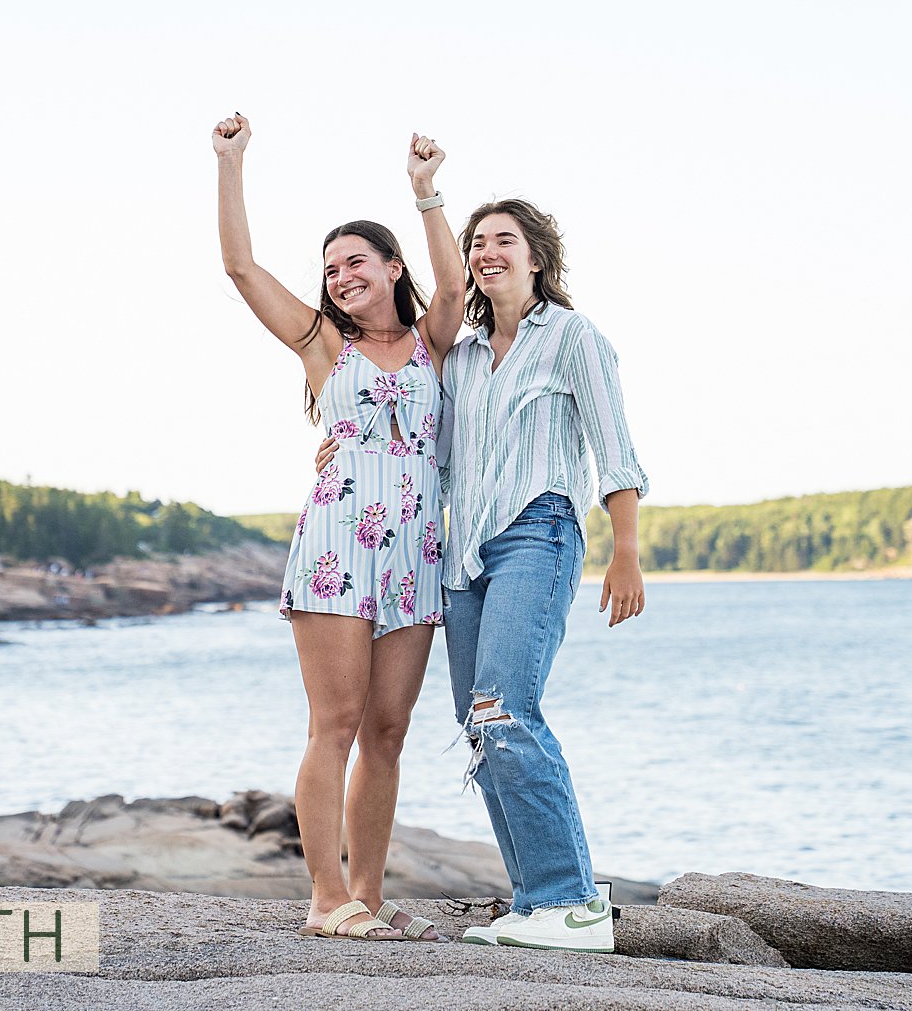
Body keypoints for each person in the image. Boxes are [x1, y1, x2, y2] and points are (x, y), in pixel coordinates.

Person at [315, 196, 647, 952]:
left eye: (505, 240)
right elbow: (419, 445)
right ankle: (537, 904)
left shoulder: (572, 337)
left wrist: (625, 549)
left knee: (504, 705)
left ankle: (572, 901)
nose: (487, 252)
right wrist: (342, 448)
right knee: (479, 724)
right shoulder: (455, 359)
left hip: (538, 531)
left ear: (536, 257)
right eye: (477, 244)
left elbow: (615, 449)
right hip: (461, 557)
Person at [213, 112, 465, 941]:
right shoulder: (325, 345)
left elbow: (457, 291)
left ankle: (367, 888)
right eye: (331, 268)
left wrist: (426, 195)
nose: (342, 275)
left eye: (357, 259)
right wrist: (231, 162)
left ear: (394, 266)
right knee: (337, 722)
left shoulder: (432, 342)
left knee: (388, 731)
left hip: (417, 554)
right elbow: (242, 268)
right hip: (337, 548)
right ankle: (325, 897)